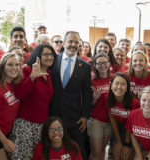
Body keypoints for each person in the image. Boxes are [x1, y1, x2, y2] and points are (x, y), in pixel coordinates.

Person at [49, 31, 92, 160]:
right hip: (53, 115)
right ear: (64, 43)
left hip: (75, 118)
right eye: (70, 41)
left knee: (78, 151)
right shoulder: (52, 61)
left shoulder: (85, 66)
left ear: (79, 44)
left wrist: (85, 116)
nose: (73, 45)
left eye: (76, 42)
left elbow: (87, 93)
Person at [11, 44, 56, 159]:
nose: (49, 57)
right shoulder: (27, 70)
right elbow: (19, 94)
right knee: (23, 156)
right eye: (45, 54)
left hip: (42, 125)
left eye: (51, 54)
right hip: (25, 124)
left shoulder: (50, 74)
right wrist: (32, 77)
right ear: (37, 56)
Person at [106, 72, 139, 160]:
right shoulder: (108, 98)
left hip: (131, 130)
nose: (119, 87)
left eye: (123, 84)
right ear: (111, 85)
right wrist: (118, 142)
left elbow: (131, 124)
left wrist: (126, 144)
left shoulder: (134, 102)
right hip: (117, 127)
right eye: (116, 83)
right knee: (116, 154)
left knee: (125, 156)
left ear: (127, 88)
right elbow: (112, 119)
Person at [88, 53, 112, 160]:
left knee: (102, 151)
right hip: (96, 121)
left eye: (105, 62)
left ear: (109, 63)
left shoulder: (114, 79)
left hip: (110, 121)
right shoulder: (92, 81)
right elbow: (88, 105)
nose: (103, 65)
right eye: (100, 63)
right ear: (95, 65)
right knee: (96, 153)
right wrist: (95, 98)